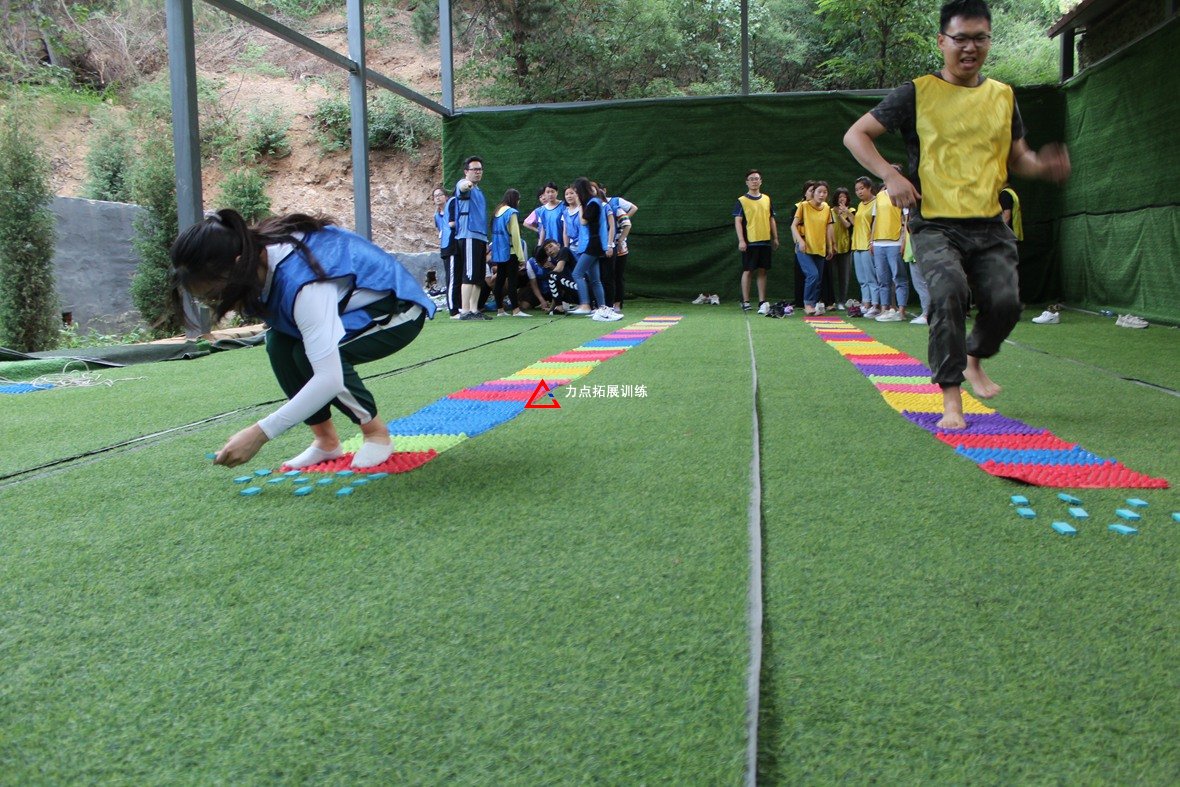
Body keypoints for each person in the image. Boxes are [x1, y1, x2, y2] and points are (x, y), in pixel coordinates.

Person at [844, 0, 1070, 429]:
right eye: (961, 39)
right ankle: (951, 398)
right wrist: (890, 175)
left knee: (1006, 303)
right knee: (948, 292)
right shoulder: (916, 93)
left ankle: (974, 355)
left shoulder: (1003, 96)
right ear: (941, 41)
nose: (970, 48)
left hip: (989, 223)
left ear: (989, 41)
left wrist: (1042, 166)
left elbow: (1018, 157)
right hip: (935, 222)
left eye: (980, 38)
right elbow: (856, 135)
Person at [170, 209, 435, 469]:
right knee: (279, 343)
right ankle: (326, 441)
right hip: (348, 309)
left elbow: (329, 380)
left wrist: (259, 433)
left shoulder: (305, 284)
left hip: (397, 311)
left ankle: (376, 434)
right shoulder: (256, 257)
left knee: (309, 357)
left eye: (214, 293)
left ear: (238, 264)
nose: (215, 302)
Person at [569, 177, 621, 322]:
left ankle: (585, 304)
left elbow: (583, 221)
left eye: (576, 192)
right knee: (595, 280)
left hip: (593, 244)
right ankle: (603, 309)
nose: (575, 195)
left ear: (581, 191)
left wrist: (579, 205)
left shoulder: (593, 203)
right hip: (596, 244)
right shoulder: (595, 202)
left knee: (577, 273)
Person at [733, 169, 780, 314]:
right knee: (748, 270)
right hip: (749, 242)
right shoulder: (741, 201)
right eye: (751, 179)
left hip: (765, 241)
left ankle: (762, 301)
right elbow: (738, 221)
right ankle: (746, 301)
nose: (754, 181)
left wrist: (775, 237)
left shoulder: (767, 199)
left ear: (761, 181)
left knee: (762, 270)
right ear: (747, 182)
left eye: (757, 178)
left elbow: (771, 219)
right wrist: (741, 240)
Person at [869, 164, 910, 322]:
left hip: (895, 242)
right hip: (879, 243)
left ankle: (901, 311)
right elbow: (875, 219)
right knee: (882, 279)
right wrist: (871, 241)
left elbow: (906, 220)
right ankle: (885, 309)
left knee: (899, 277)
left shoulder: (902, 195)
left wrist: (904, 241)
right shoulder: (879, 196)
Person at [454, 156, 491, 320]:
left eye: (480, 169)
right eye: (474, 169)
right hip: (468, 235)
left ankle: (475, 310)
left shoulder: (479, 191)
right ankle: (465, 311)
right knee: (469, 274)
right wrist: (467, 183)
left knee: (478, 276)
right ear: (466, 171)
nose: (478, 172)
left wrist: (485, 239)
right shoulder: (464, 185)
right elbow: (463, 186)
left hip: (480, 237)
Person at [791, 180, 835, 316]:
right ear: (813, 193)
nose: (822, 195)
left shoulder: (827, 208)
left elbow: (828, 228)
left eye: (825, 192)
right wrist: (800, 241)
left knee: (818, 278)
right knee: (812, 274)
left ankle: (814, 305)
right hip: (804, 248)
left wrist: (830, 246)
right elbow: (793, 226)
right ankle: (808, 303)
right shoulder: (803, 206)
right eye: (819, 192)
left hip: (820, 248)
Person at [490, 188, 530, 317]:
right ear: (515, 200)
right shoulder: (511, 213)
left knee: (500, 280)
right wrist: (521, 257)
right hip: (510, 251)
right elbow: (516, 236)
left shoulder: (497, 212)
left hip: (499, 252)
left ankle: (500, 310)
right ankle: (515, 310)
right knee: (512, 281)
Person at [851, 176, 881, 316]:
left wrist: (872, 242)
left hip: (868, 245)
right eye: (857, 189)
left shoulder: (876, 202)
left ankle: (875, 305)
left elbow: (876, 224)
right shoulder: (860, 205)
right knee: (862, 279)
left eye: (862, 188)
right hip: (857, 245)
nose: (859, 192)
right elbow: (857, 224)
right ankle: (866, 303)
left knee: (871, 278)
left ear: (869, 188)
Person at [432, 185, 461, 318]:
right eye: (435, 196)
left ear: (446, 196)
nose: (437, 198)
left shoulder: (452, 207)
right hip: (448, 247)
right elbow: (442, 230)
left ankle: (460, 305)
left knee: (458, 277)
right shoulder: (437, 216)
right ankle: (453, 309)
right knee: (452, 278)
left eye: (440, 195)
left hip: (456, 245)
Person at [830, 187, 855, 310]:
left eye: (844, 197)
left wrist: (841, 215)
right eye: (840, 197)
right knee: (830, 275)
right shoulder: (829, 211)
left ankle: (842, 301)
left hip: (845, 248)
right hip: (831, 248)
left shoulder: (851, 211)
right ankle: (830, 301)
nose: (842, 199)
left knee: (844, 277)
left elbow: (848, 225)